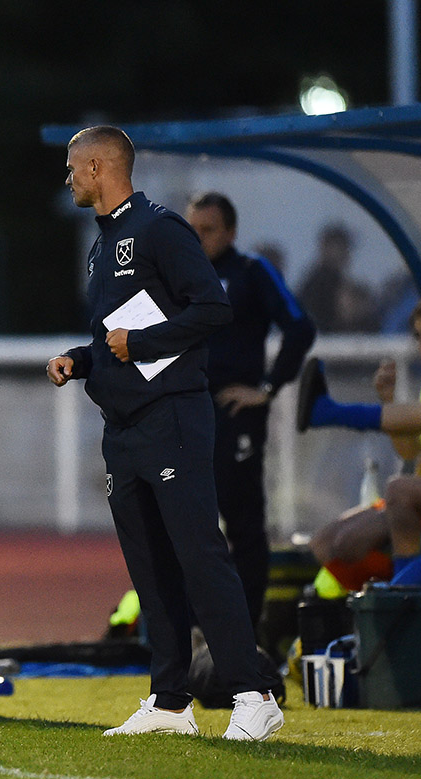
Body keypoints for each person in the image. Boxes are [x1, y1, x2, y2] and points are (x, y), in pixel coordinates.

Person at [47, 126, 283, 740]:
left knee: (200, 554)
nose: (67, 178)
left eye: (73, 168)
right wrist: (80, 357)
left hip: (172, 418)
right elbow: (112, 340)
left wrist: (143, 343)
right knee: (150, 568)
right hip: (123, 429)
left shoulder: (158, 227)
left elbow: (212, 308)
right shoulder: (101, 246)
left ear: (99, 167)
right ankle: (170, 701)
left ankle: (252, 694)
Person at [186, 192, 316, 629]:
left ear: (231, 232)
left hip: (235, 411)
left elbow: (300, 326)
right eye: (193, 229)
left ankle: (247, 628)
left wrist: (267, 388)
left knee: (241, 519)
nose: (199, 239)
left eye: (209, 230)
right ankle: (197, 626)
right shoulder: (176, 275)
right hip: (187, 410)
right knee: (187, 519)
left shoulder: (251, 272)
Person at [297, 296, 421, 589]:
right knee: (323, 542)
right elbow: (410, 452)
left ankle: (403, 593)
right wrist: (389, 402)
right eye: (418, 336)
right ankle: (388, 596)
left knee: (390, 498)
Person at [298, 224, 379, 333]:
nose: (347, 253)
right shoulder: (319, 284)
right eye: (342, 247)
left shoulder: (329, 280)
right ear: (326, 248)